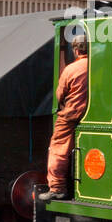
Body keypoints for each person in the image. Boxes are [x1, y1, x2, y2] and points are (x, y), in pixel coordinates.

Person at [39, 36, 89, 202]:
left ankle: (57, 187)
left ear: (76, 50)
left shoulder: (71, 69)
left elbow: (60, 94)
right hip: (92, 113)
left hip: (72, 113)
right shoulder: (100, 67)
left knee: (58, 148)